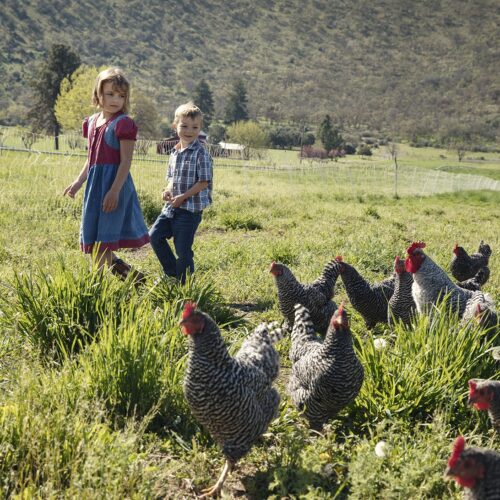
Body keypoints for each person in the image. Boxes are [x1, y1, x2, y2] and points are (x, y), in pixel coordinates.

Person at [63, 67, 150, 280]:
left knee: (103, 243)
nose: (115, 100)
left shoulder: (123, 124)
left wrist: (114, 191)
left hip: (114, 187)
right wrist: (77, 182)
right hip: (95, 188)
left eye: (121, 96)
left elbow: (126, 161)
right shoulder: (92, 122)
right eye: (110, 94)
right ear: (98, 94)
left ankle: (97, 285)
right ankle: (132, 277)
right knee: (94, 242)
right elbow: (91, 160)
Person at [149, 102, 213, 284]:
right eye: (184, 126)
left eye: (195, 127)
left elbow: (204, 181)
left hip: (189, 210)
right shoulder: (175, 153)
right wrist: (168, 190)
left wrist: (183, 197)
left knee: (182, 250)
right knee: (154, 236)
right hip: (171, 208)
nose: (189, 131)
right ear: (175, 126)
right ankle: (172, 273)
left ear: (200, 129)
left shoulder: (201, 154)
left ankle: (185, 286)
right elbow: (171, 178)